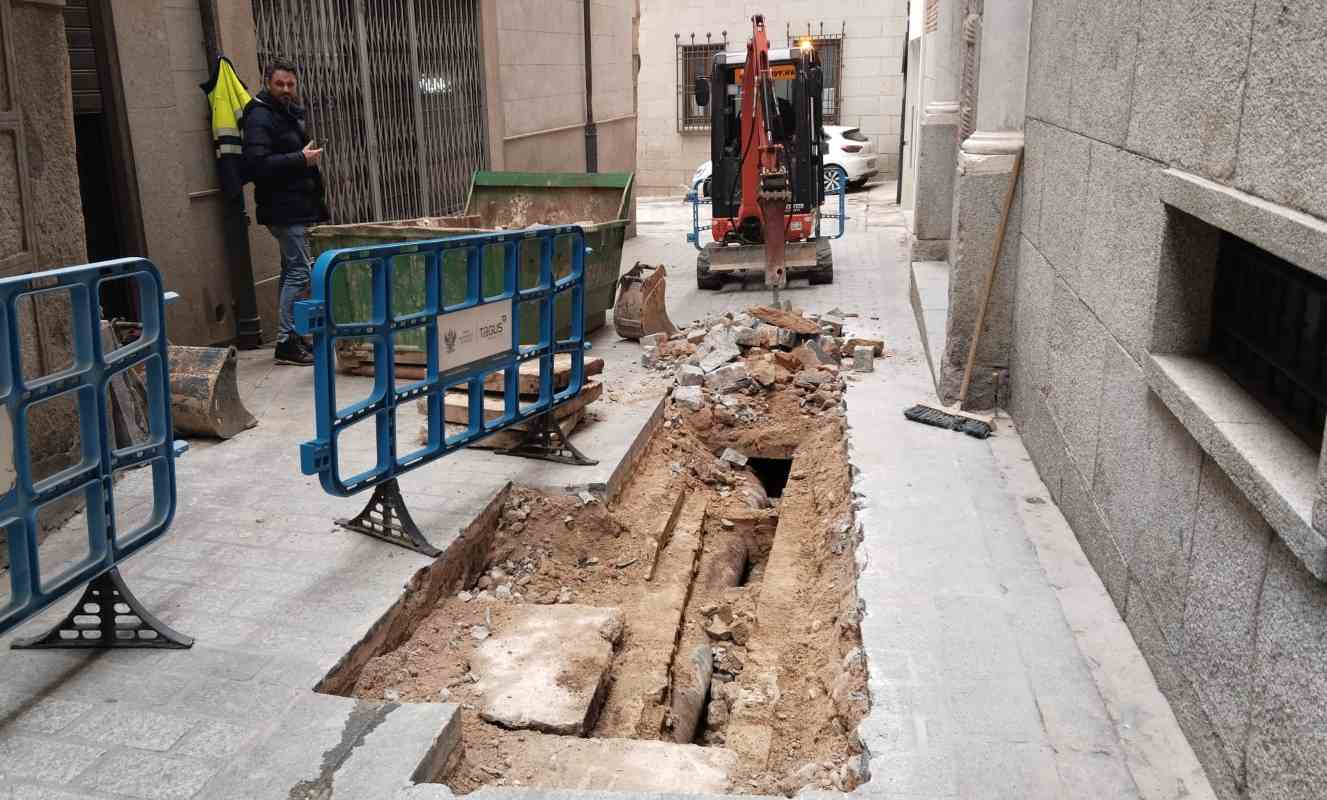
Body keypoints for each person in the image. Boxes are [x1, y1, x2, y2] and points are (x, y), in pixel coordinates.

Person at [243, 58, 327, 366]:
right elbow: (257, 164)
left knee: (291, 270)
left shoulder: (286, 114)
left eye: (290, 84)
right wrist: (300, 159)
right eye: (280, 84)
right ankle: (284, 341)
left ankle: (291, 336)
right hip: (283, 209)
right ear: (268, 83)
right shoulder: (260, 117)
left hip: (295, 206)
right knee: (300, 272)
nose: (286, 89)